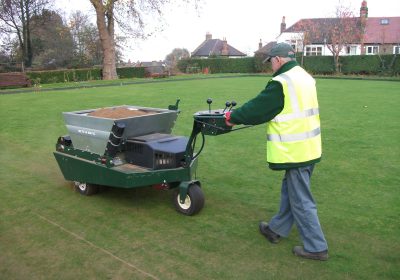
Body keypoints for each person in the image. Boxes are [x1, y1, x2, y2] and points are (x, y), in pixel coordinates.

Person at [224, 42, 328, 261]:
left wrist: (232, 118)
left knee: (300, 199)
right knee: (290, 191)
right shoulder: (305, 77)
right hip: (309, 147)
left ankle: (316, 246)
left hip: (295, 150)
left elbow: (259, 108)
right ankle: (276, 229)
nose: (270, 66)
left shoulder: (282, 81)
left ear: (278, 60)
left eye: (270, 61)